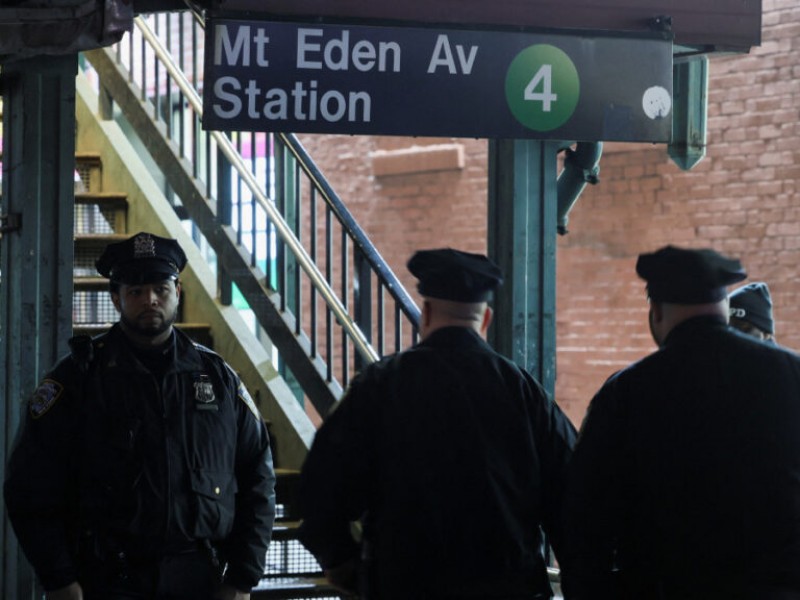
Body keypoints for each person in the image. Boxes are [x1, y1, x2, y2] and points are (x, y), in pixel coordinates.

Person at [4, 231, 276, 600]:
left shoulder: (218, 379)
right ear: (116, 298)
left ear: (177, 292)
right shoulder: (77, 380)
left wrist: (242, 577)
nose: (150, 299)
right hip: (106, 582)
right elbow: (29, 487)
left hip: (200, 580)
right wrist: (59, 578)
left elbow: (258, 478)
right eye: (135, 291)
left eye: (160, 289)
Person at [297, 248, 577, 600]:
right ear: (485, 318)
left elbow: (320, 488)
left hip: (405, 585)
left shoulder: (380, 385)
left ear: (425, 313)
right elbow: (574, 496)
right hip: (506, 588)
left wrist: (344, 563)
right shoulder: (524, 392)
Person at [560, 245, 800, 600]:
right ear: (723, 307)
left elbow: (584, 517)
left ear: (656, 311)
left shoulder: (626, 392)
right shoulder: (792, 374)